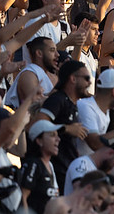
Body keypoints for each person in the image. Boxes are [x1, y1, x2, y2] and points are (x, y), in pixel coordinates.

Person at [38, 59, 91, 191]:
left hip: (67, 170)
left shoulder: (72, 103)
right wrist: (67, 129)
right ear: (72, 78)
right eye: (86, 78)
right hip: (55, 171)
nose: (89, 82)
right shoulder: (57, 100)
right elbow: (39, 124)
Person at [21, 120, 62, 214]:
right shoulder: (33, 164)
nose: (58, 139)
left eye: (57, 135)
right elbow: (23, 196)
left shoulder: (50, 165)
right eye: (52, 135)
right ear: (39, 141)